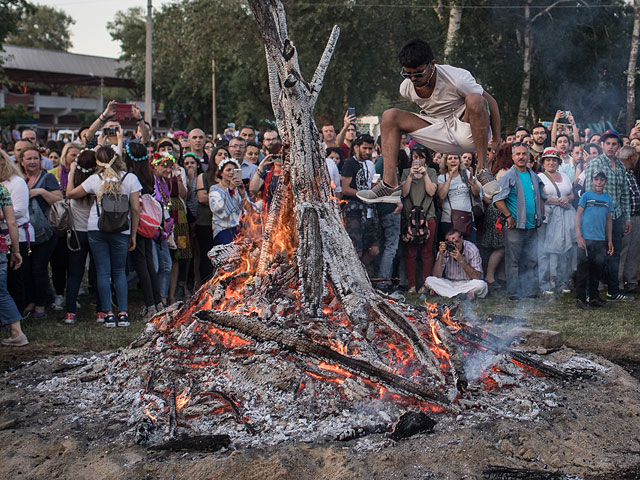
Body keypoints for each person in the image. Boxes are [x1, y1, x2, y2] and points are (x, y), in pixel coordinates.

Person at [357, 38, 501, 204]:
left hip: (468, 131)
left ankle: (482, 170)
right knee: (390, 116)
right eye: (407, 74)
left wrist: (496, 139)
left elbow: (491, 102)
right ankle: (389, 185)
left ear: (432, 64)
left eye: (418, 73)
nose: (413, 79)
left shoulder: (457, 78)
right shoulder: (406, 88)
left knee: (476, 99)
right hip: (438, 130)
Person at [67, 146, 141, 328]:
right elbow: (136, 209)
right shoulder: (129, 178)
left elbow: (70, 194)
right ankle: (123, 313)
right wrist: (133, 235)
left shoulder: (94, 179)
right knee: (119, 272)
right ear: (118, 159)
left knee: (102, 272)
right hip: (121, 230)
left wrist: (71, 174)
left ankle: (107, 313)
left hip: (96, 228)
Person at [493, 143, 546, 300]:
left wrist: (541, 215)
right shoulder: (508, 176)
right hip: (515, 226)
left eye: (524, 154)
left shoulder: (534, 176)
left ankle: (528, 291)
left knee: (530, 259)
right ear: (512, 157)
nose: (521, 157)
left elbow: (542, 197)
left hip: (532, 225)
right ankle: (514, 293)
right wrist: (509, 216)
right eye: (518, 154)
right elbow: (497, 199)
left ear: (529, 156)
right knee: (513, 261)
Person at [583, 130, 632, 301]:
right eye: (608, 144)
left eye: (614, 144)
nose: (611, 147)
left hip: (616, 216)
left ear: (618, 146)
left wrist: (626, 218)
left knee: (614, 254)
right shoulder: (595, 164)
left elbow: (624, 193)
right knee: (596, 254)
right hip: (598, 217)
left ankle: (613, 290)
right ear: (602, 145)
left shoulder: (620, 166)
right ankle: (591, 291)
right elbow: (587, 193)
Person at [19, 146, 62, 318]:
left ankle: (41, 305)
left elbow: (59, 199)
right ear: (21, 161)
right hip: (24, 233)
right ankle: (31, 300)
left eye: (35, 158)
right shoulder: (18, 179)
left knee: (39, 268)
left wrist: (40, 192)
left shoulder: (47, 178)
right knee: (26, 269)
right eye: (28, 159)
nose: (32, 162)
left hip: (45, 233)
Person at [123, 142, 164, 320]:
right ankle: (158, 302)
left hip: (137, 225)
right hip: (149, 224)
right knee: (148, 263)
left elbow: (134, 208)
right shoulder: (148, 174)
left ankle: (151, 306)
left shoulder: (131, 177)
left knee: (142, 265)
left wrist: (132, 232)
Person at [63, 149, 98, 323]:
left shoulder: (75, 184)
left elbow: (68, 193)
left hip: (77, 233)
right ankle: (101, 311)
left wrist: (71, 172)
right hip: (96, 232)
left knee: (75, 274)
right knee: (99, 271)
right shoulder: (96, 182)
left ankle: (70, 313)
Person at [537, 147, 576, 295]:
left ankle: (561, 282)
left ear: (559, 162)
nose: (551, 163)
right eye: (548, 160)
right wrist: (558, 202)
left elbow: (571, 193)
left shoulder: (565, 176)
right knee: (544, 251)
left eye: (554, 160)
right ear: (543, 162)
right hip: (547, 218)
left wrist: (567, 198)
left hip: (565, 218)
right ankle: (545, 284)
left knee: (564, 250)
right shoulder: (540, 177)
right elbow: (541, 196)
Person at [400, 144, 437, 293]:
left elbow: (431, 192)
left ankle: (425, 285)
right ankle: (412, 285)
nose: (418, 161)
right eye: (415, 157)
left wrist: (425, 175)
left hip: (427, 216)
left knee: (427, 252)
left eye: (421, 157)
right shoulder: (405, 172)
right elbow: (404, 193)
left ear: (426, 158)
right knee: (410, 251)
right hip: (409, 217)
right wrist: (410, 176)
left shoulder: (432, 171)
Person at [574, 170, 614, 310]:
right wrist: (579, 236)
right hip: (586, 238)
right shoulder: (586, 196)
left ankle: (593, 297)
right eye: (596, 179)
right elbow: (578, 216)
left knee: (597, 269)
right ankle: (580, 298)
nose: (599, 182)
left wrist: (609, 240)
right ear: (591, 181)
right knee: (583, 270)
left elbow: (609, 220)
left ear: (605, 182)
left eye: (602, 180)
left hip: (600, 239)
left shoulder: (607, 199)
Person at [0, 150, 32, 313]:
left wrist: (2, 215)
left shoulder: (16, 182)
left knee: (15, 278)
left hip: (16, 235)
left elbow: (18, 211)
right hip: (3, 235)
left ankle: (17, 314)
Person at [340, 134, 379, 269]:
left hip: (370, 211)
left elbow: (372, 186)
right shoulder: (349, 163)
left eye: (370, 149)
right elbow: (345, 189)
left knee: (374, 250)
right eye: (364, 148)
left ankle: (362, 274)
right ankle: (355, 277)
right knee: (356, 250)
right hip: (354, 212)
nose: (368, 152)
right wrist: (364, 194)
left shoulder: (370, 164)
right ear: (356, 147)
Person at [480, 143, 513, 288]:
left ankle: (501, 275)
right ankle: (490, 276)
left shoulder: (501, 169)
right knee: (500, 247)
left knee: (503, 246)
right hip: (499, 211)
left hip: (499, 210)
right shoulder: (505, 172)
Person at [195, 146, 228, 284]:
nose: (222, 156)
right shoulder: (204, 176)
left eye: (226, 154)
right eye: (219, 154)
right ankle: (204, 286)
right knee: (206, 257)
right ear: (213, 157)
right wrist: (223, 195)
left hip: (224, 224)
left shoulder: (230, 179)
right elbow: (201, 198)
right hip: (206, 222)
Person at [424, 229, 487, 299]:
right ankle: (464, 295)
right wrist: (441, 255)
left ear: (462, 239)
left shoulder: (472, 249)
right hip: (449, 283)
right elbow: (436, 275)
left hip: (468, 283)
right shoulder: (444, 249)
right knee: (429, 280)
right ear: (446, 242)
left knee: (481, 285)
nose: (454, 246)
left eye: (456, 242)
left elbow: (477, 277)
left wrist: (461, 260)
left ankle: (443, 293)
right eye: (451, 243)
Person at [0, 183, 26, 346]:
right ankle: (17, 332)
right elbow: (12, 222)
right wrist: (16, 250)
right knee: (1, 291)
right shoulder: (2, 189)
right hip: (0, 246)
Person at [437, 153, 480, 242]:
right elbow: (441, 196)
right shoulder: (442, 177)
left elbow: (476, 192)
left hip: (467, 219)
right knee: (452, 249)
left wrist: (472, 182)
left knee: (471, 247)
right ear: (445, 163)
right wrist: (450, 178)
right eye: (450, 158)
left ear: (459, 161)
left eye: (455, 158)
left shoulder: (466, 174)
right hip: (449, 220)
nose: (453, 160)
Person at [209, 158, 253, 245]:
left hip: (240, 230)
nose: (232, 172)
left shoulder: (238, 189)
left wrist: (243, 195)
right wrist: (230, 190)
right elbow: (219, 210)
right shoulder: (215, 189)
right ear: (221, 173)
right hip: (223, 230)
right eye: (228, 170)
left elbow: (249, 210)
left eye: (234, 170)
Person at [617, 145, 640, 293]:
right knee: (623, 251)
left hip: (636, 217)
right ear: (631, 158)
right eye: (635, 157)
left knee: (634, 251)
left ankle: (631, 282)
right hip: (625, 218)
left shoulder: (631, 174)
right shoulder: (619, 173)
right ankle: (618, 283)